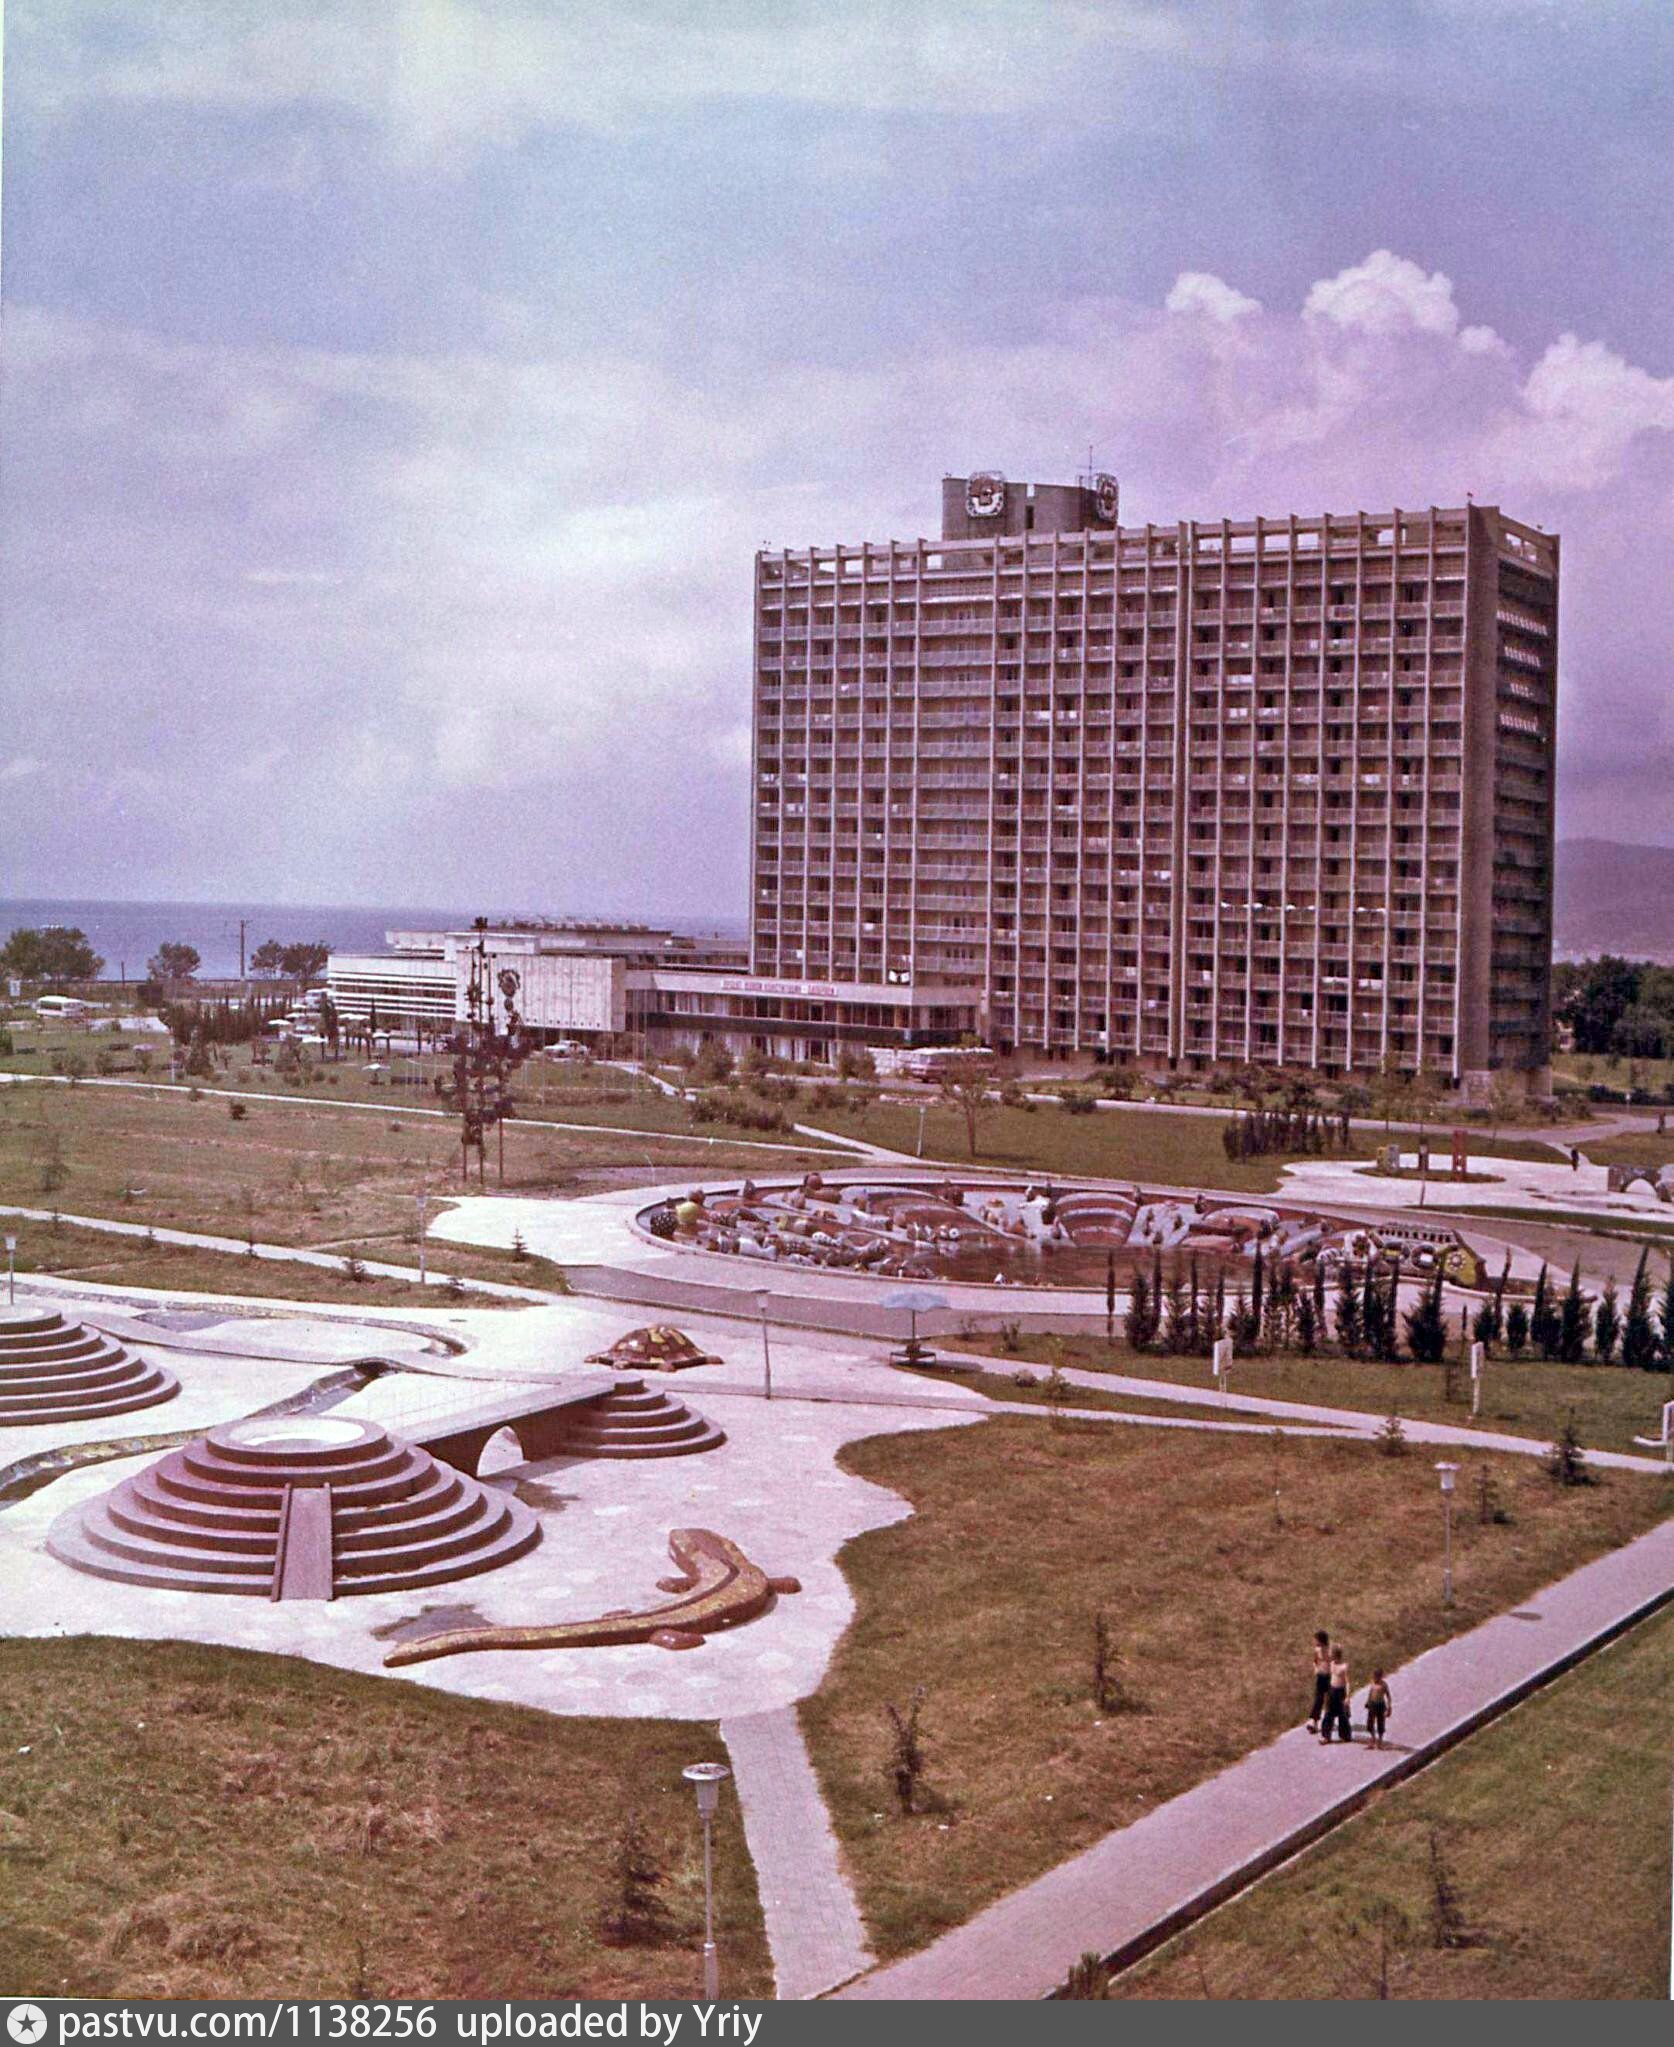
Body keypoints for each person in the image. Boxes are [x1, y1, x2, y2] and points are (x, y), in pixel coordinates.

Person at [1320, 1642, 1352, 1745]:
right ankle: (1326, 1736)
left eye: (1331, 1653)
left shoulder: (1344, 1667)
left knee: (1343, 1716)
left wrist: (1347, 1697)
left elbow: (1347, 1682)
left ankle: (1345, 1735)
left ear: (1335, 1654)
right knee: (1328, 1714)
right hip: (1332, 1691)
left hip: (1340, 1692)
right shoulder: (1331, 1664)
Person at [1306, 1629, 1331, 1735]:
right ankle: (1313, 1721)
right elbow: (1315, 1661)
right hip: (1321, 1676)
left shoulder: (1330, 1650)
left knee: (1331, 1700)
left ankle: (1330, 1721)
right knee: (1318, 1699)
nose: (1315, 1642)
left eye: (1317, 1639)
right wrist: (1316, 1668)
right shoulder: (1317, 1650)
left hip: (1330, 1676)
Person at [1365, 1668, 1393, 1750]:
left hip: (1380, 1705)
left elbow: (1388, 1696)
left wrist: (1389, 1707)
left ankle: (1380, 1742)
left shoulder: (1383, 1685)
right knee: (1370, 1723)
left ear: (1380, 1677)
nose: (1374, 1678)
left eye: (1376, 1677)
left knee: (1380, 1723)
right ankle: (1373, 1738)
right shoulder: (1372, 1683)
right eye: (1374, 1677)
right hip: (1372, 1704)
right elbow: (1370, 1692)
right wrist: (1368, 1701)